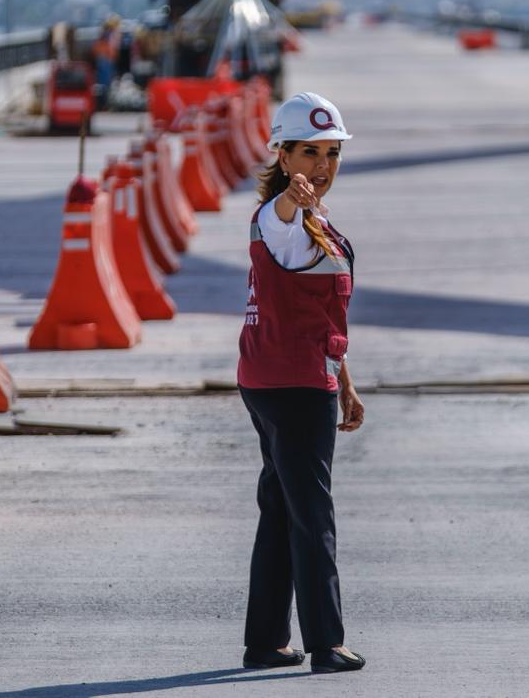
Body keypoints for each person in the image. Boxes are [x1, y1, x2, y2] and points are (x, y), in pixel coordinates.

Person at [236, 91, 367, 675]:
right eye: (309, 152)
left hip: (276, 378)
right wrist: (292, 198)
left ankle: (266, 641)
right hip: (293, 387)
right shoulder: (282, 217)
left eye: (332, 153)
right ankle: (326, 643)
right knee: (313, 514)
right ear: (282, 154)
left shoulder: (316, 221)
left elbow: (322, 316)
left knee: (281, 508)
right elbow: (281, 218)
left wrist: (347, 382)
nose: (322, 165)